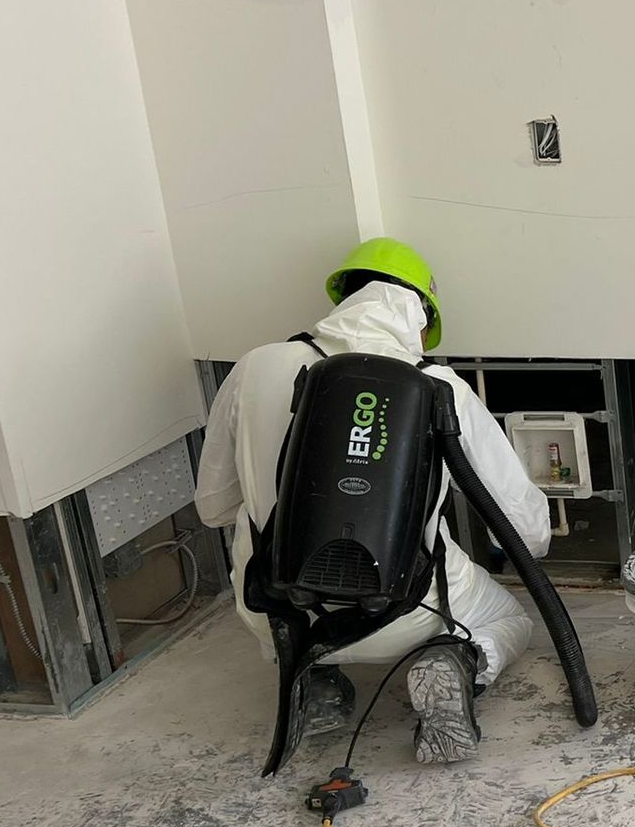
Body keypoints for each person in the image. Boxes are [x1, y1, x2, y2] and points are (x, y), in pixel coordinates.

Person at [195, 238, 551, 764]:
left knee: (257, 557)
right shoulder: (438, 386)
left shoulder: (254, 366)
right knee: (510, 619)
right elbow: (523, 531)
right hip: (405, 611)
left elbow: (213, 509)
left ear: (343, 298)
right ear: (421, 316)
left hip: (276, 609)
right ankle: (455, 660)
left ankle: (316, 678)